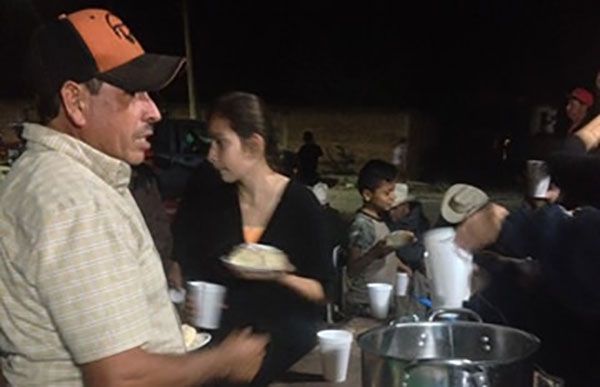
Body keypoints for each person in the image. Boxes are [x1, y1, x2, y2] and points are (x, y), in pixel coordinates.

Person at [0, 9, 267, 386]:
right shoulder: (75, 201)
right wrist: (223, 360)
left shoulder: (54, 177)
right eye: (133, 93)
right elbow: (120, 378)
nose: (154, 111)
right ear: (75, 102)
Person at [171, 92, 334, 386]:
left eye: (221, 143)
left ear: (253, 146)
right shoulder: (208, 194)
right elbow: (183, 257)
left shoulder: (300, 203)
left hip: (284, 346)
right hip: (218, 348)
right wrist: (188, 297)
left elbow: (323, 290)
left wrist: (280, 276)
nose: (211, 155)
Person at [345, 160, 413, 315]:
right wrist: (376, 252)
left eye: (393, 191)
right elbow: (353, 269)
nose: (392, 197)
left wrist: (400, 265)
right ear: (368, 195)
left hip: (381, 300)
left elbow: (386, 254)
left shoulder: (381, 220)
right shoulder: (362, 225)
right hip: (364, 303)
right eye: (386, 193)